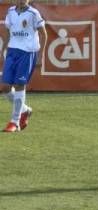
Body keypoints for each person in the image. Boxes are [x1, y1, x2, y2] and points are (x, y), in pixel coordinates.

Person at [2, 0, 47, 133]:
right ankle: (25, 110)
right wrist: (2, 50)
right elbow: (8, 33)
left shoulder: (33, 13)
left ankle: (14, 122)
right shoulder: (10, 11)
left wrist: (41, 55)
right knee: (5, 88)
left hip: (27, 53)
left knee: (19, 85)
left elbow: (44, 34)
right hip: (12, 51)